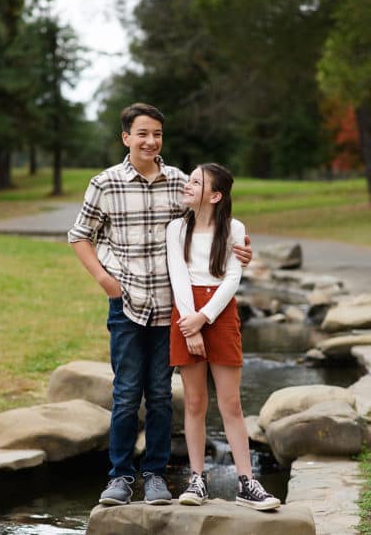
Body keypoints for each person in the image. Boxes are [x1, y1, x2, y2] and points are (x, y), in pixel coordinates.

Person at [67, 103, 253, 506]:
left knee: (161, 394)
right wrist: (105, 280)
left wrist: (240, 251)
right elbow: (79, 235)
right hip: (128, 302)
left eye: (157, 135)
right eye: (143, 134)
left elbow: (213, 216)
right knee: (126, 391)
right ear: (126, 138)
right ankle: (119, 477)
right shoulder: (106, 183)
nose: (151, 142)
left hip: (173, 308)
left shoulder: (180, 182)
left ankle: (154, 475)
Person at [167, 163, 280, 510]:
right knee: (195, 402)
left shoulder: (234, 229)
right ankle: (197, 480)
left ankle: (246, 482)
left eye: (196, 182)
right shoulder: (175, 228)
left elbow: (232, 279)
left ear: (215, 195)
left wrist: (205, 318)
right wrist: (191, 323)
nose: (188, 185)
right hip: (186, 313)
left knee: (231, 403)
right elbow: (178, 276)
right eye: (189, 179)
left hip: (219, 313)